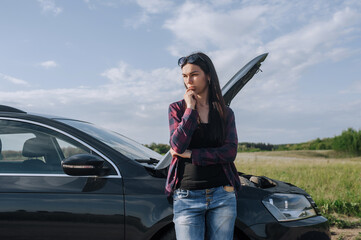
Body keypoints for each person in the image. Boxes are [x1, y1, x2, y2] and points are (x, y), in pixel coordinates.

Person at [166, 52, 241, 240]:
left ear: (208, 75)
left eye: (194, 74)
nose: (188, 80)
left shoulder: (225, 112)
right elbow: (177, 146)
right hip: (186, 196)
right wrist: (190, 110)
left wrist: (192, 155)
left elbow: (230, 152)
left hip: (222, 194)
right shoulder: (177, 109)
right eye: (184, 76)